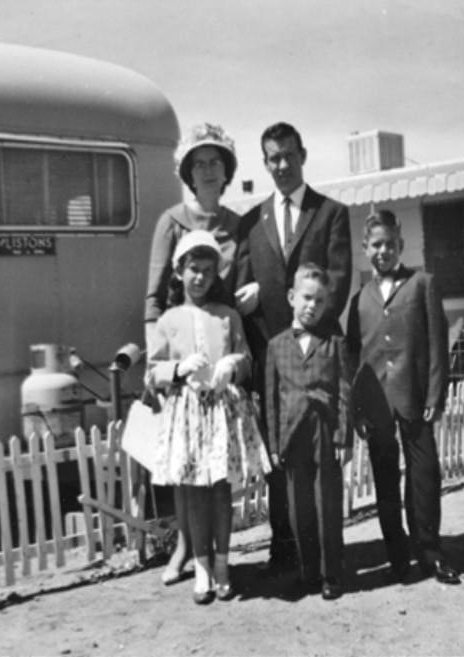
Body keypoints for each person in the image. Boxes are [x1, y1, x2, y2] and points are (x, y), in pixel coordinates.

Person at [234, 121, 352, 574]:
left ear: (302, 155)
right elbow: (242, 289)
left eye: (288, 155)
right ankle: (286, 550)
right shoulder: (252, 222)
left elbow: (336, 285)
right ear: (264, 163)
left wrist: (308, 336)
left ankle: (325, 558)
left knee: (320, 464)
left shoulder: (331, 213)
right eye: (272, 158)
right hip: (273, 363)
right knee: (279, 459)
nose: (281, 165)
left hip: (319, 360)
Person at [147, 230, 268, 604]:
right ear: (179, 272)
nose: (199, 277)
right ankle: (200, 568)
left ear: (217, 274)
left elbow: (246, 359)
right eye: (192, 269)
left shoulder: (228, 316)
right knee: (196, 494)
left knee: (220, 492)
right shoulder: (168, 320)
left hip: (221, 414)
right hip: (187, 416)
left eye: (207, 270)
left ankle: (221, 565)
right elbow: (152, 373)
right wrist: (179, 368)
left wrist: (233, 364)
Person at [144, 123, 241, 587]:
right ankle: (187, 548)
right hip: (178, 351)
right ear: (187, 170)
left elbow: (241, 283)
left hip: (223, 344)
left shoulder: (238, 224)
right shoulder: (171, 220)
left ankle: (211, 554)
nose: (206, 170)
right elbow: (155, 297)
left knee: (215, 471)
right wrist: (161, 369)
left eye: (215, 162)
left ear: (226, 172)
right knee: (183, 465)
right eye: (198, 162)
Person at [346, 209, 460, 585]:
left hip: (415, 397)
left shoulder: (423, 284)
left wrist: (434, 394)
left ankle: (430, 552)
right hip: (377, 402)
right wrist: (357, 409)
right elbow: (353, 359)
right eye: (376, 245)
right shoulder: (359, 299)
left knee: (424, 474)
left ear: (401, 245)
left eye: (390, 244)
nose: (384, 251)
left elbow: (437, 344)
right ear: (365, 248)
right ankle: (396, 554)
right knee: (384, 479)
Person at [264, 264, 353, 600]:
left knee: (326, 504)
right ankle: (308, 572)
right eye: (306, 297)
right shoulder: (275, 346)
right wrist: (274, 444)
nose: (312, 306)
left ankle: (332, 574)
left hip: (325, 433)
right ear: (291, 297)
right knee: (298, 506)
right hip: (291, 435)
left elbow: (345, 392)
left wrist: (344, 436)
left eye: (319, 300)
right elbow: (271, 400)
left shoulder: (334, 344)